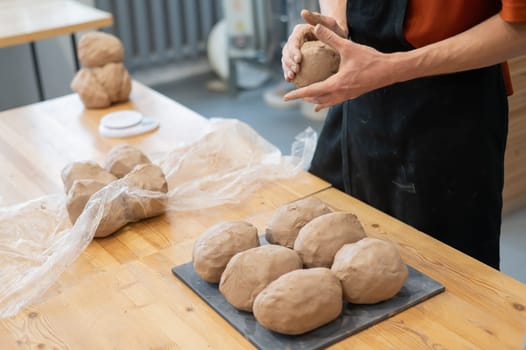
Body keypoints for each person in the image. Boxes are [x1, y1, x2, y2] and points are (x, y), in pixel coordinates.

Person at [281, 0, 526, 269]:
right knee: (323, 244)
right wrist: (336, 29)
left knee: (444, 277)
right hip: (360, 95)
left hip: (448, 110)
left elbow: (520, 27)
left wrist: (395, 67)